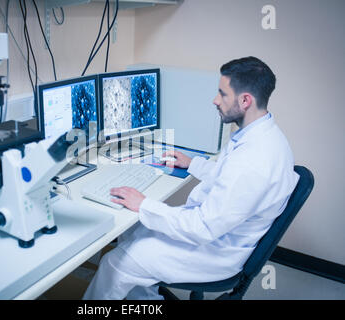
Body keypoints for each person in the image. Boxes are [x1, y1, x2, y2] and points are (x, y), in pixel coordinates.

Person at [83, 56, 299, 300]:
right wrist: (193, 163)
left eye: (222, 94)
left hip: (215, 250)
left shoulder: (253, 159)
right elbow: (230, 180)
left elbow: (203, 227)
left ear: (245, 100)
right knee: (134, 231)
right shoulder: (264, 135)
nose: (215, 101)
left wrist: (144, 203)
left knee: (116, 264)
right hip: (223, 231)